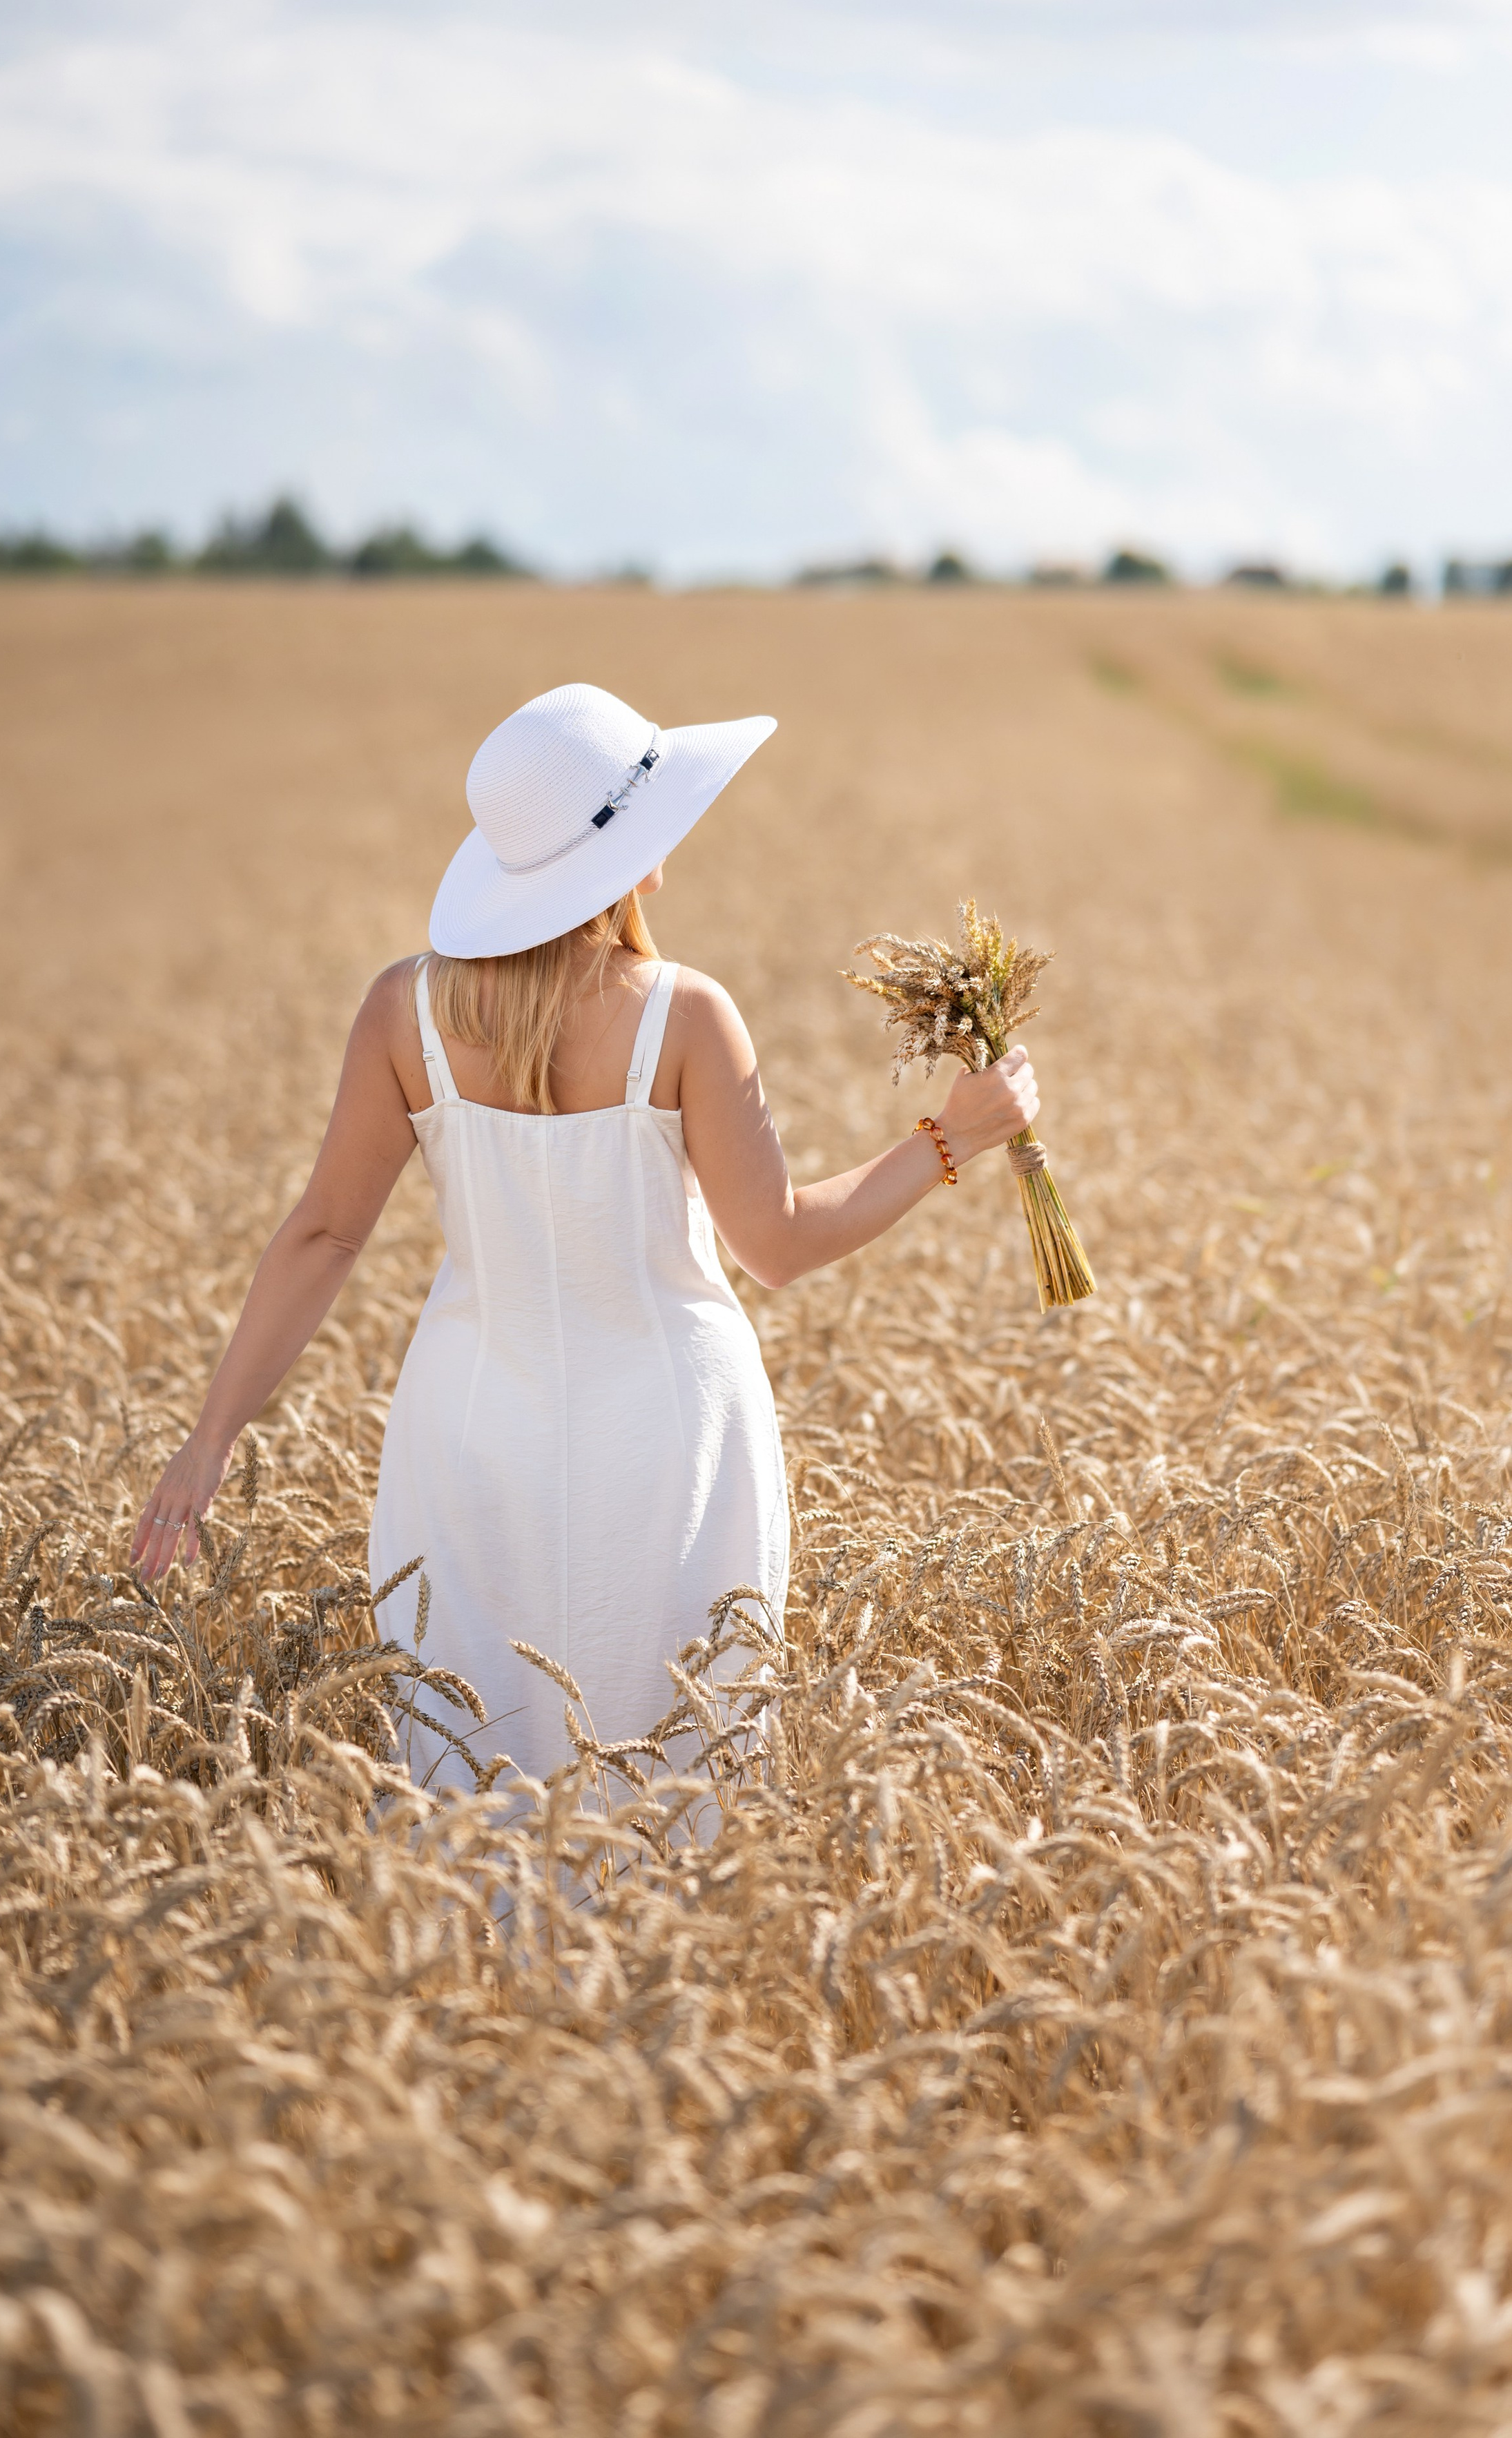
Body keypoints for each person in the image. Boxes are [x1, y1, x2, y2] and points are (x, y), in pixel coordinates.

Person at [130, 682, 1038, 1782]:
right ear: (631, 853)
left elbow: (323, 1233)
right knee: (673, 1789)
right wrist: (953, 1136)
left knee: (468, 1788)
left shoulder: (403, 1012)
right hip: (674, 1445)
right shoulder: (685, 1014)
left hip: (468, 1444)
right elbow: (779, 1245)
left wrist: (212, 1435)